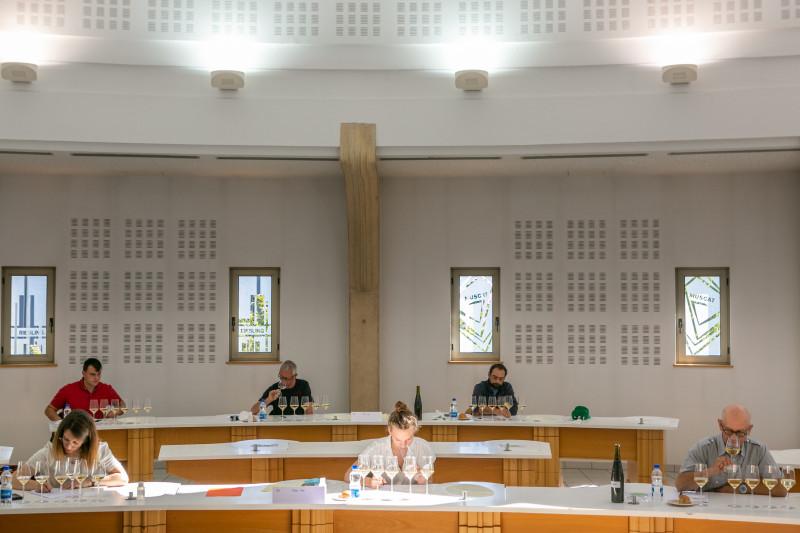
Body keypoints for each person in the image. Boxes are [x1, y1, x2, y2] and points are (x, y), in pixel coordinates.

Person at [675, 404, 786, 495]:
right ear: (720, 425)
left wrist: (740, 488)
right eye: (728, 431)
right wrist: (710, 471)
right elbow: (680, 484)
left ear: (749, 429)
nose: (733, 439)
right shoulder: (703, 448)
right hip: (710, 511)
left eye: (740, 433)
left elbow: (781, 489)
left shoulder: (758, 450)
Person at [14, 410, 128, 492]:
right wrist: (36, 485)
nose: (68, 446)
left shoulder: (100, 450)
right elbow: (13, 479)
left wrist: (90, 482)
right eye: (66, 439)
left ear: (86, 441)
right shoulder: (49, 452)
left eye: (75, 443)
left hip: (92, 505)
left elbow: (122, 477)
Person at [347, 401, 435, 488]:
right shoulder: (377, 448)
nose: (403, 445)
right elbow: (348, 475)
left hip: (413, 495)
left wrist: (423, 479)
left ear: (414, 431)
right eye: (398, 440)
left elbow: (430, 481)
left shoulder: (423, 448)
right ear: (390, 430)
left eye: (408, 439)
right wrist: (369, 482)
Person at [45, 358, 124, 421]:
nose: (96, 378)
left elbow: (122, 405)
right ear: (83, 373)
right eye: (92, 374)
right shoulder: (68, 390)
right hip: (74, 432)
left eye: (99, 374)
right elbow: (49, 410)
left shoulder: (106, 389)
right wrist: (61, 424)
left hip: (98, 431)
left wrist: (115, 412)